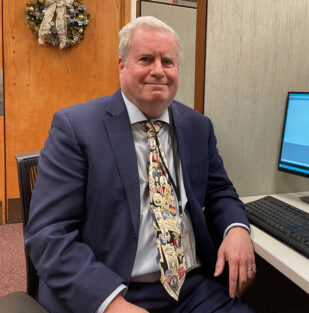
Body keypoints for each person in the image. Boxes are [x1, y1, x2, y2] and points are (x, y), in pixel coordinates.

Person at [24, 16, 256, 313]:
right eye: (146, 59)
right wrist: (111, 303)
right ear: (122, 65)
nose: (158, 71)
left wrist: (237, 229)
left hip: (192, 287)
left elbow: (220, 191)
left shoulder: (198, 127)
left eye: (167, 62)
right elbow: (49, 233)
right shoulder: (75, 128)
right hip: (112, 288)